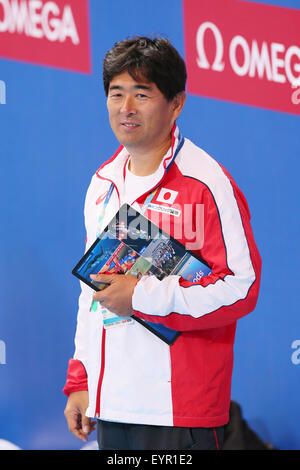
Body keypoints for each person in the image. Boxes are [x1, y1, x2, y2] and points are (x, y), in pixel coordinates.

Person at [63, 36, 262, 450]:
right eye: (116, 93)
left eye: (142, 93)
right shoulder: (102, 183)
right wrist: (82, 380)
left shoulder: (207, 183)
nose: (126, 108)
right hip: (113, 405)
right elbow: (91, 293)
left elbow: (241, 289)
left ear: (176, 104)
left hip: (180, 410)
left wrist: (142, 296)